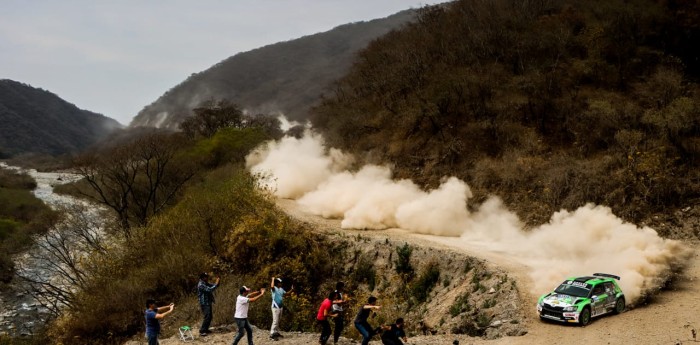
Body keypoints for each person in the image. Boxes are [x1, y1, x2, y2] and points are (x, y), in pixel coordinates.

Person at [197, 272, 220, 336]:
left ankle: (205, 329)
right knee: (207, 316)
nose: (207, 278)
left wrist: (217, 281)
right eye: (205, 277)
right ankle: (202, 331)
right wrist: (216, 283)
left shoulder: (205, 283)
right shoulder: (201, 284)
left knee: (210, 316)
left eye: (207, 277)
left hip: (208, 302)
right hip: (204, 303)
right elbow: (209, 289)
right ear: (202, 278)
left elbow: (212, 285)